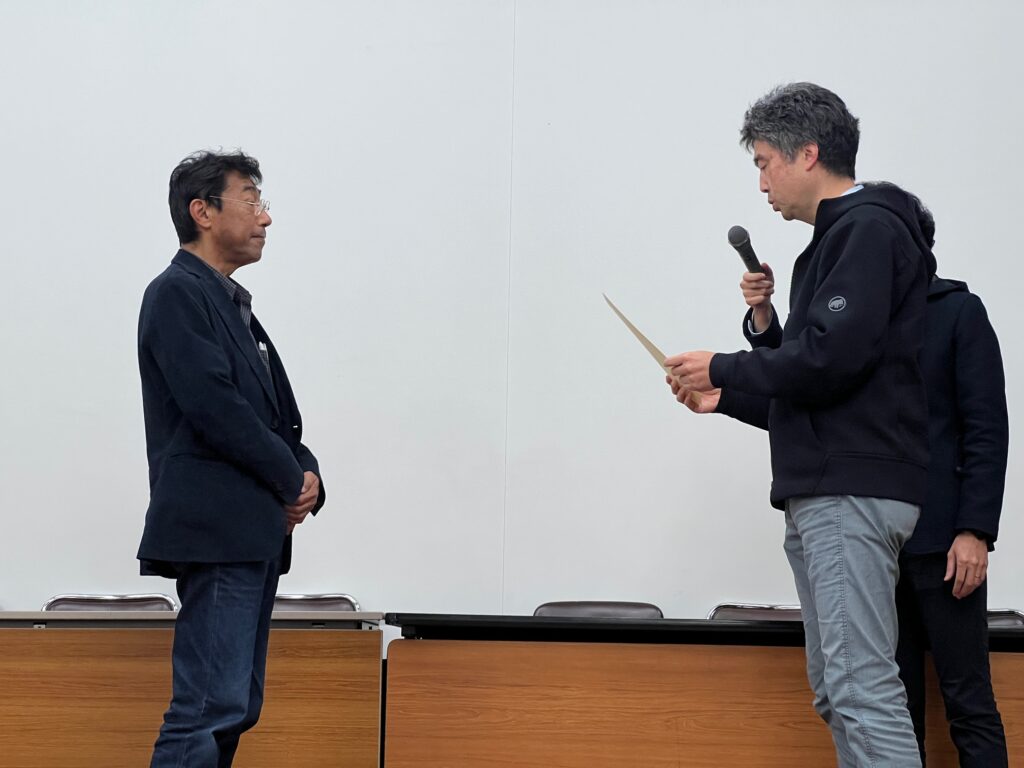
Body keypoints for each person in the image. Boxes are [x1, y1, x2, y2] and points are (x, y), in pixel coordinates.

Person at [666, 83, 935, 767]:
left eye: (764, 162)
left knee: (861, 687)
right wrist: (722, 392)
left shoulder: (867, 229)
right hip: (827, 490)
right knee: (838, 689)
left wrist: (723, 364)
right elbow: (815, 384)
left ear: (807, 153)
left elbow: (827, 361)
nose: (760, 181)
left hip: (849, 494)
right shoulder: (836, 241)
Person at [704, 185, 1010, 766]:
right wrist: (742, 365)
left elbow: (986, 429)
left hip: (942, 539)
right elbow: (810, 401)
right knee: (891, 699)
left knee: (967, 701)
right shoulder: (864, 322)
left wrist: (976, 531)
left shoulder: (956, 311)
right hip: (873, 532)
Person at [137, 149, 325, 768]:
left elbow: (275, 416)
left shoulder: (234, 306)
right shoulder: (176, 294)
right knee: (205, 709)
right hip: (217, 531)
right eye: (251, 200)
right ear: (203, 212)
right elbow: (213, 407)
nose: (265, 218)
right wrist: (285, 476)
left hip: (249, 532)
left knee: (234, 705)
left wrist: (309, 476)